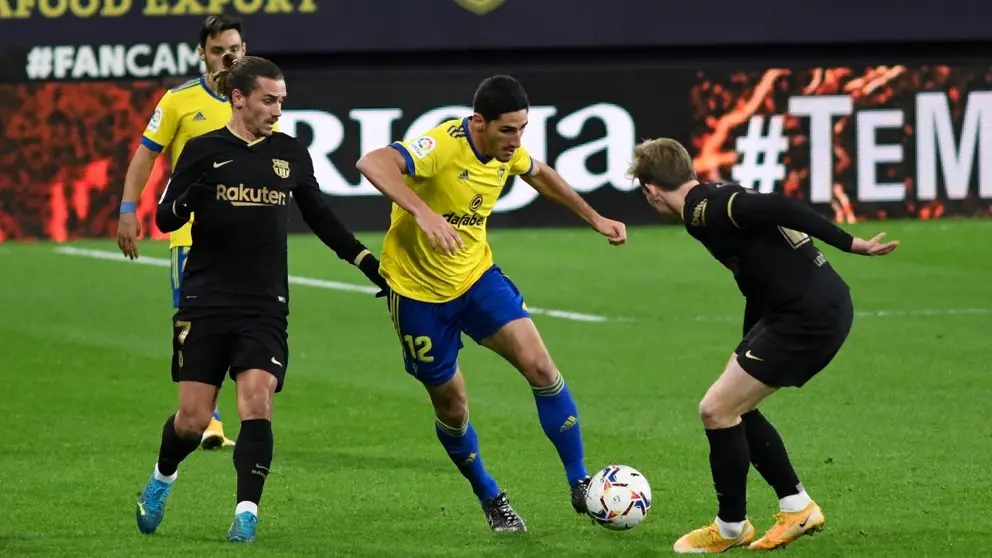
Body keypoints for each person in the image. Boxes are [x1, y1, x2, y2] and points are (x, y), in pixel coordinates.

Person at [135, 53, 388, 543]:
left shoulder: (291, 153)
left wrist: (366, 263)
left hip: (263, 305)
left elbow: (320, 215)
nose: (278, 110)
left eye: (282, 100)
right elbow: (167, 217)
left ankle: (246, 512)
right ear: (239, 98)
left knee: (258, 402)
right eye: (268, 100)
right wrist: (196, 193)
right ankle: (162, 478)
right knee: (191, 420)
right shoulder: (204, 151)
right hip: (206, 300)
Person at [356, 75, 627, 532]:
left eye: (523, 129)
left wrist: (594, 216)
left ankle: (580, 481)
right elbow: (371, 162)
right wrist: (422, 212)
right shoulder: (442, 144)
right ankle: (489, 495)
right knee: (453, 406)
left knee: (541, 367)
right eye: (508, 130)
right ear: (479, 122)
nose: (517, 140)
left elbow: (539, 174)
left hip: (476, 278)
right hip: (418, 296)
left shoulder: (507, 151)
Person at [627, 138, 898, 553]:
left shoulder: (705, 211)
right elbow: (753, 277)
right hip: (801, 309)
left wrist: (850, 243)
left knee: (716, 409)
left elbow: (778, 206)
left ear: (650, 190)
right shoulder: (711, 196)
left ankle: (731, 526)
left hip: (809, 315)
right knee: (734, 402)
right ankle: (796, 506)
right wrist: (748, 341)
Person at [117, 15, 265, 449]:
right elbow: (145, 156)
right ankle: (210, 416)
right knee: (197, 324)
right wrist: (129, 208)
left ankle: (236, 408)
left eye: (235, 48)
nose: (229, 56)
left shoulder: (256, 98)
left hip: (248, 238)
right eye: (219, 50)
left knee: (249, 323)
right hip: (192, 236)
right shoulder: (179, 101)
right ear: (202, 53)